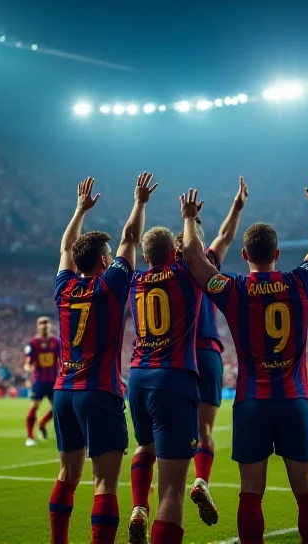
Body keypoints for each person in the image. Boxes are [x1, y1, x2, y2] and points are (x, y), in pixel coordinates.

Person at [180, 173, 308, 544]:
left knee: (251, 491)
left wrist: (188, 219)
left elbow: (192, 257)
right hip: (294, 400)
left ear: (245, 255)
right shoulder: (300, 282)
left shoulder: (231, 288)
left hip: (252, 403)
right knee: (307, 490)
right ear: (277, 255)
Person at [50, 173, 157, 544]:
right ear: (101, 261)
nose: (114, 259)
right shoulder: (109, 286)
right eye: (109, 258)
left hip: (64, 391)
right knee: (104, 483)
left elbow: (65, 247)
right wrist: (139, 203)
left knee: (67, 476)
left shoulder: (64, 288)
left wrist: (79, 210)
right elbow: (129, 238)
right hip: (99, 391)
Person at [172, 176, 249, 526]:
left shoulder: (165, 272)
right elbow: (228, 236)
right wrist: (237, 207)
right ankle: (201, 480)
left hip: (177, 359)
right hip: (208, 353)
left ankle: (158, 498)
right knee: (205, 432)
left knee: (173, 432)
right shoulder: (206, 262)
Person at [125, 222, 204, 544]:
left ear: (144, 256)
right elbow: (197, 251)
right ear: (175, 252)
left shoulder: (133, 281)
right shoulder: (186, 275)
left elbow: (128, 239)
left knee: (145, 446)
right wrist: (190, 220)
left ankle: (139, 505)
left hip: (138, 377)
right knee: (172, 487)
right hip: (173, 377)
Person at [24, 316, 61, 446]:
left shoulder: (56, 342)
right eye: (41, 323)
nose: (44, 325)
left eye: (46, 323)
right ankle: (30, 437)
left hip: (54, 380)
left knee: (58, 408)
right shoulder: (33, 343)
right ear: (37, 326)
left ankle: (42, 423)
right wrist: (28, 367)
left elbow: (61, 359)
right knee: (34, 407)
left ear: (50, 325)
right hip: (39, 381)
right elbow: (28, 361)